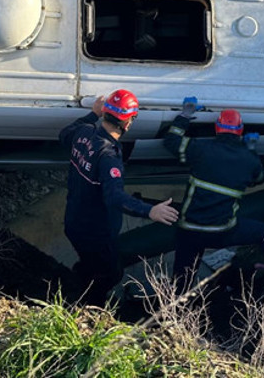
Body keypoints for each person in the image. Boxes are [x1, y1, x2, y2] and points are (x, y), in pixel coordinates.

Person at [59, 89, 179, 306]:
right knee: (110, 274)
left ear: (104, 113)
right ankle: (91, 305)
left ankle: (79, 278)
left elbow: (64, 134)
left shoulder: (84, 132)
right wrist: (150, 211)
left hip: (74, 221)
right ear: (128, 123)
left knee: (89, 262)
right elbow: (115, 197)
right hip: (97, 232)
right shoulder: (108, 157)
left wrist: (91, 115)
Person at [163, 97, 264, 291]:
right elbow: (260, 180)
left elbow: (171, 141)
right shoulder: (249, 160)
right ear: (240, 131)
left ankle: (175, 312)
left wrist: (185, 115)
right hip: (222, 232)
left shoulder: (200, 149)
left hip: (190, 231)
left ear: (217, 128)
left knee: (182, 282)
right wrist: (251, 150)